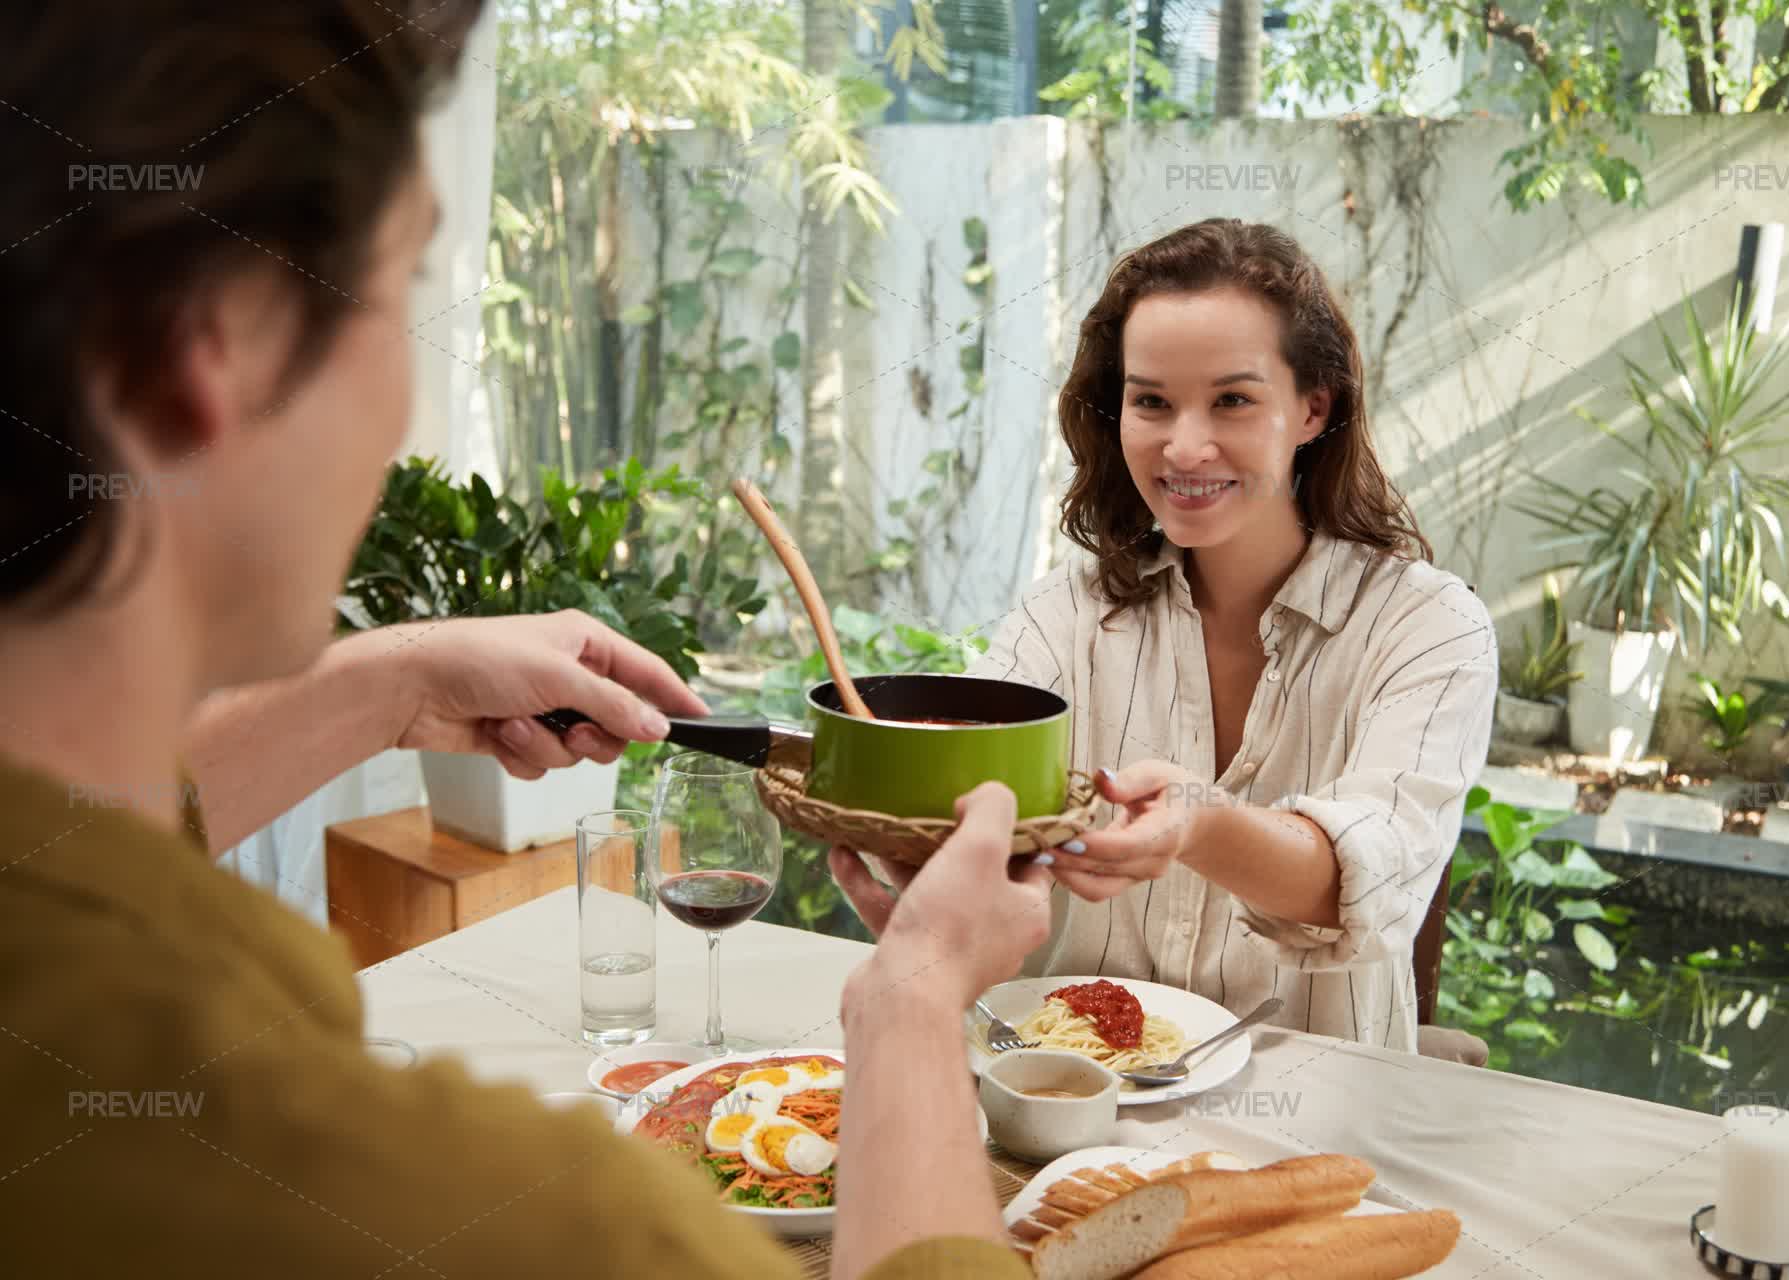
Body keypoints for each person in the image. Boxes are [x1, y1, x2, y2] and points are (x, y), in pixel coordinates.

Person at [0, 5, 1049, 1277]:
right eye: (396, 291)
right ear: (204, 354)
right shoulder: (452, 1206)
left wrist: (397, 678)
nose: (400, 414)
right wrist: (912, 999)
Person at [833, 219, 1497, 1056]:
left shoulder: (1428, 627)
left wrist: (1200, 822)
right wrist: (931, 875)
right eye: (1151, 401)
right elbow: (970, 794)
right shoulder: (1062, 616)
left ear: (1312, 407)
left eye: (1233, 399)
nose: (1184, 446)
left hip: (1317, 1127)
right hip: (1068, 1105)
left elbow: (1374, 871)